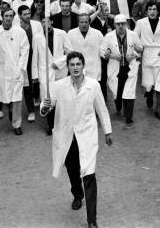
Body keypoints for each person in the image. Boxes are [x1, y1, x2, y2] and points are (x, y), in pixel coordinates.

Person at [40, 51, 112, 228]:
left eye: (78, 64)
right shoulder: (58, 86)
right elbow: (46, 106)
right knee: (72, 170)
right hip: (67, 136)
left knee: (89, 174)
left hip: (86, 135)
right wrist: (44, 107)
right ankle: (77, 194)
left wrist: (108, 131)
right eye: (71, 65)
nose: (75, 68)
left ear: (83, 65)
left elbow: (102, 109)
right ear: (68, 67)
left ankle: (92, 221)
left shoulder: (93, 85)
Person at [0, 9, 29, 135]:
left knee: (17, 97)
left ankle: (17, 124)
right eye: (6, 16)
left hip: (16, 69)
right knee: (5, 95)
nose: (8, 18)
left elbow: (25, 50)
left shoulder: (20, 32)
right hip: (1, 70)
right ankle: (10, 110)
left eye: (11, 16)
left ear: (13, 17)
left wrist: (20, 68)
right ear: (2, 17)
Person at [134, 0, 160, 120]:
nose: (152, 12)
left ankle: (159, 109)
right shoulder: (141, 23)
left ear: (158, 11)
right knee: (149, 83)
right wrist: (138, 49)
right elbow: (135, 37)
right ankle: (149, 94)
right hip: (147, 53)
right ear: (146, 11)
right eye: (150, 9)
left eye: (154, 9)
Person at [100, 14, 142, 126]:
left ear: (126, 24)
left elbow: (140, 48)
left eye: (123, 24)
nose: (120, 26)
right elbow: (102, 51)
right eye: (118, 24)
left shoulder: (133, 35)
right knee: (117, 92)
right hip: (115, 69)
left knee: (129, 93)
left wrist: (133, 55)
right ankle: (118, 104)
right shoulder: (108, 36)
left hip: (129, 67)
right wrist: (111, 55)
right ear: (114, 25)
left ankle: (129, 116)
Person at [32, 17, 68, 135]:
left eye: (47, 21)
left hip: (60, 71)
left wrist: (59, 63)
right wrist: (35, 75)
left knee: (61, 98)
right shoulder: (37, 37)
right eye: (42, 21)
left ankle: (61, 125)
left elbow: (70, 51)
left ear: (51, 22)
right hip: (45, 72)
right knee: (48, 98)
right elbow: (35, 57)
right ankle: (50, 125)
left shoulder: (62, 34)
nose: (45, 23)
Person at [17, 5, 44, 123]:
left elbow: (42, 40)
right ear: (19, 16)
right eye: (24, 14)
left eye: (28, 13)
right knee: (26, 86)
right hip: (24, 60)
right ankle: (31, 111)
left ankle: (40, 101)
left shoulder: (37, 25)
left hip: (37, 58)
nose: (27, 16)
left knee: (39, 81)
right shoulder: (16, 27)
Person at [66, 14, 104, 92]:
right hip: (77, 69)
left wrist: (105, 54)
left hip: (93, 69)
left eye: (86, 22)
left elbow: (102, 50)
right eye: (81, 22)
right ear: (78, 22)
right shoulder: (70, 33)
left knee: (92, 93)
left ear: (89, 22)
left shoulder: (97, 33)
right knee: (77, 93)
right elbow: (68, 51)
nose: (84, 24)